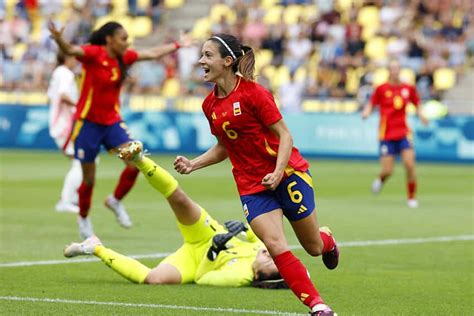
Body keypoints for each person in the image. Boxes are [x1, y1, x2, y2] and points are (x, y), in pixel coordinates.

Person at [173, 34, 338, 316]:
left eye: (207, 55)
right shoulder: (209, 106)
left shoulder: (254, 94)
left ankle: (328, 241)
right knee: (274, 245)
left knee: (312, 246)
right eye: (201, 55)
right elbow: (225, 147)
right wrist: (193, 164)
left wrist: (276, 173)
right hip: (251, 185)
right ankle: (318, 306)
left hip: (287, 173)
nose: (201, 61)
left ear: (227, 61)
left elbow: (285, 136)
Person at [64, 141, 287, 289]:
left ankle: (94, 247)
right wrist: (244, 229)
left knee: (155, 279)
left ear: (257, 276)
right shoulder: (263, 250)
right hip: (206, 233)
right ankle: (140, 159)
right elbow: (259, 238)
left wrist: (212, 255)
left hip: (195, 259)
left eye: (269, 263)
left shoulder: (239, 277)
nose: (269, 255)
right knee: (179, 198)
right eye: (273, 258)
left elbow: (201, 278)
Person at [48, 21, 191, 239]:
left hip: (112, 123)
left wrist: (178, 45)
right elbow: (70, 50)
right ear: (109, 39)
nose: (127, 42)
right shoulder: (93, 53)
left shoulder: (124, 57)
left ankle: (114, 201)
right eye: (123, 38)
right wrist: (58, 38)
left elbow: (152, 53)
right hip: (87, 124)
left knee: (135, 162)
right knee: (88, 179)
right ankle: (84, 220)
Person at [362, 60, 429, 208]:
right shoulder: (381, 89)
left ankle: (411, 197)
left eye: (397, 69)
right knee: (388, 170)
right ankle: (380, 179)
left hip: (404, 132)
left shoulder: (408, 88)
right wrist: (366, 112)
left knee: (410, 164)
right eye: (392, 69)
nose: (395, 71)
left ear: (400, 70)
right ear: (388, 71)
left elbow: (417, 103)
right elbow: (372, 103)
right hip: (386, 134)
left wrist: (422, 115)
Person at [47, 51, 81, 213]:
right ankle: (66, 201)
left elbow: (50, 96)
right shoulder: (66, 73)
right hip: (65, 125)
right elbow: (63, 94)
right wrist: (79, 106)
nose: (76, 60)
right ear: (67, 57)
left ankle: (70, 199)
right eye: (74, 57)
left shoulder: (57, 72)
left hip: (60, 123)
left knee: (82, 161)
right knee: (81, 161)